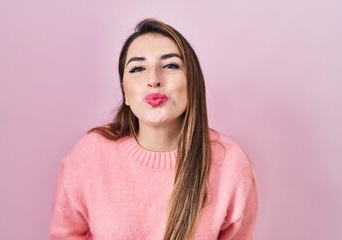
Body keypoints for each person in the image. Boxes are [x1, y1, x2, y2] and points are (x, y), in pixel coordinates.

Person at [49, 18, 258, 240]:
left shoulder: (230, 163)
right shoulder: (89, 155)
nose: (153, 80)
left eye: (170, 65)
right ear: (125, 93)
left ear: (192, 82)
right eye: (138, 68)